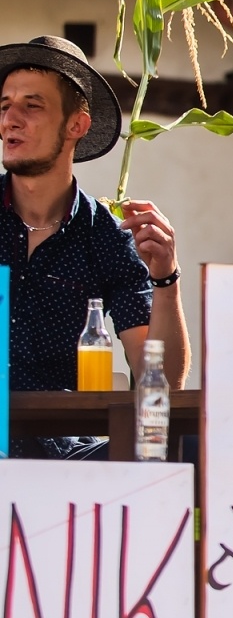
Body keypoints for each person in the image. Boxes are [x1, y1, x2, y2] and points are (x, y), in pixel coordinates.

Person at [1, 36, 190, 412]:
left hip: (66, 453)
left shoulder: (107, 237)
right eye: (4, 106)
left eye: (32, 106)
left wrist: (166, 279)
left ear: (76, 125)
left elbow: (163, 382)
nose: (10, 120)